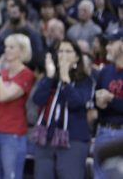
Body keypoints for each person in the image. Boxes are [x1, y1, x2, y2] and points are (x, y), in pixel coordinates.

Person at [31, 40, 93, 179]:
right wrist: (49, 77)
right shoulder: (50, 77)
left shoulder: (85, 81)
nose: (63, 55)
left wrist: (65, 80)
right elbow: (37, 99)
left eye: (68, 51)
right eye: (60, 51)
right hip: (46, 138)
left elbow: (76, 103)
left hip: (73, 139)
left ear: (77, 57)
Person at [0, 34, 35, 179]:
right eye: (6, 46)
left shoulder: (26, 74)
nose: (6, 50)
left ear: (22, 51)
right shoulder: (1, 74)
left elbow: (4, 96)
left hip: (12, 135)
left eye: (11, 47)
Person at [95, 29, 123, 179]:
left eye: (112, 43)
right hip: (104, 130)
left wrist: (111, 99)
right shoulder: (105, 71)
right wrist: (98, 102)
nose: (107, 47)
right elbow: (95, 105)